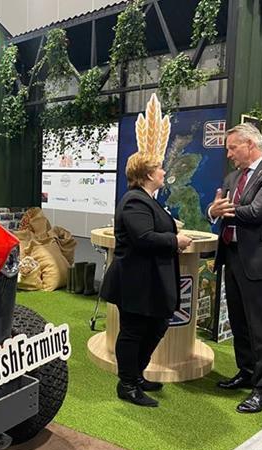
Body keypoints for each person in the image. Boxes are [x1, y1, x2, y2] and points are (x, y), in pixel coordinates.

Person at [100, 94, 192, 407]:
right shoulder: (136, 199)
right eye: (159, 169)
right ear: (148, 174)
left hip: (146, 280)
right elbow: (142, 237)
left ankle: (136, 375)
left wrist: (170, 225)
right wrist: (175, 240)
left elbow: (151, 227)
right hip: (136, 281)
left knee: (154, 327)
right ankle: (127, 385)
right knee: (135, 331)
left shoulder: (146, 201)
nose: (164, 172)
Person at [208, 123, 262, 413]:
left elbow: (258, 212)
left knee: (260, 326)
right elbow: (217, 206)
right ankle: (246, 373)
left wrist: (222, 211)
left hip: (259, 260)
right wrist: (213, 210)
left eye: (233, 148)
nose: (229, 154)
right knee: (238, 320)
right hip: (232, 256)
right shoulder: (233, 177)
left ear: (250, 144)